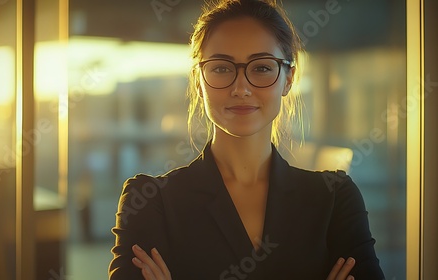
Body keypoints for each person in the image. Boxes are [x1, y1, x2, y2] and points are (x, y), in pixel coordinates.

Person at [108, 0, 385, 279]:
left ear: (288, 78)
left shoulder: (335, 199)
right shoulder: (149, 201)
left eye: (262, 68)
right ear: (198, 81)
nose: (241, 88)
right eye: (221, 68)